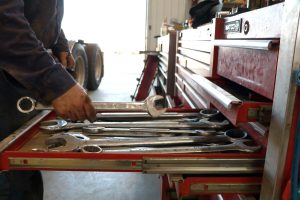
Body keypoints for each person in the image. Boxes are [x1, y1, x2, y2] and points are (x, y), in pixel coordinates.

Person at [0, 0, 96, 199]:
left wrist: (59, 42)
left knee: (23, 166)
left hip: (19, 76)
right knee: (8, 178)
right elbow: (4, 21)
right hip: (6, 73)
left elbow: (39, 9)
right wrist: (55, 83)